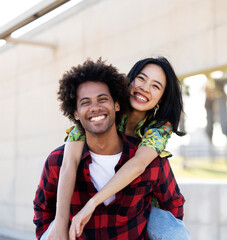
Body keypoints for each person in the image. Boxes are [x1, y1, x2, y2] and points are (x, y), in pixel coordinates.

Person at [33, 58, 186, 240]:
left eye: (156, 86)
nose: (145, 88)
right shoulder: (100, 112)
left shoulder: (159, 128)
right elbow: (68, 164)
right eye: (141, 78)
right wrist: (59, 223)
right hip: (89, 212)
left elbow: (138, 164)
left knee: (175, 232)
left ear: (162, 97)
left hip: (140, 207)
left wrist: (92, 204)